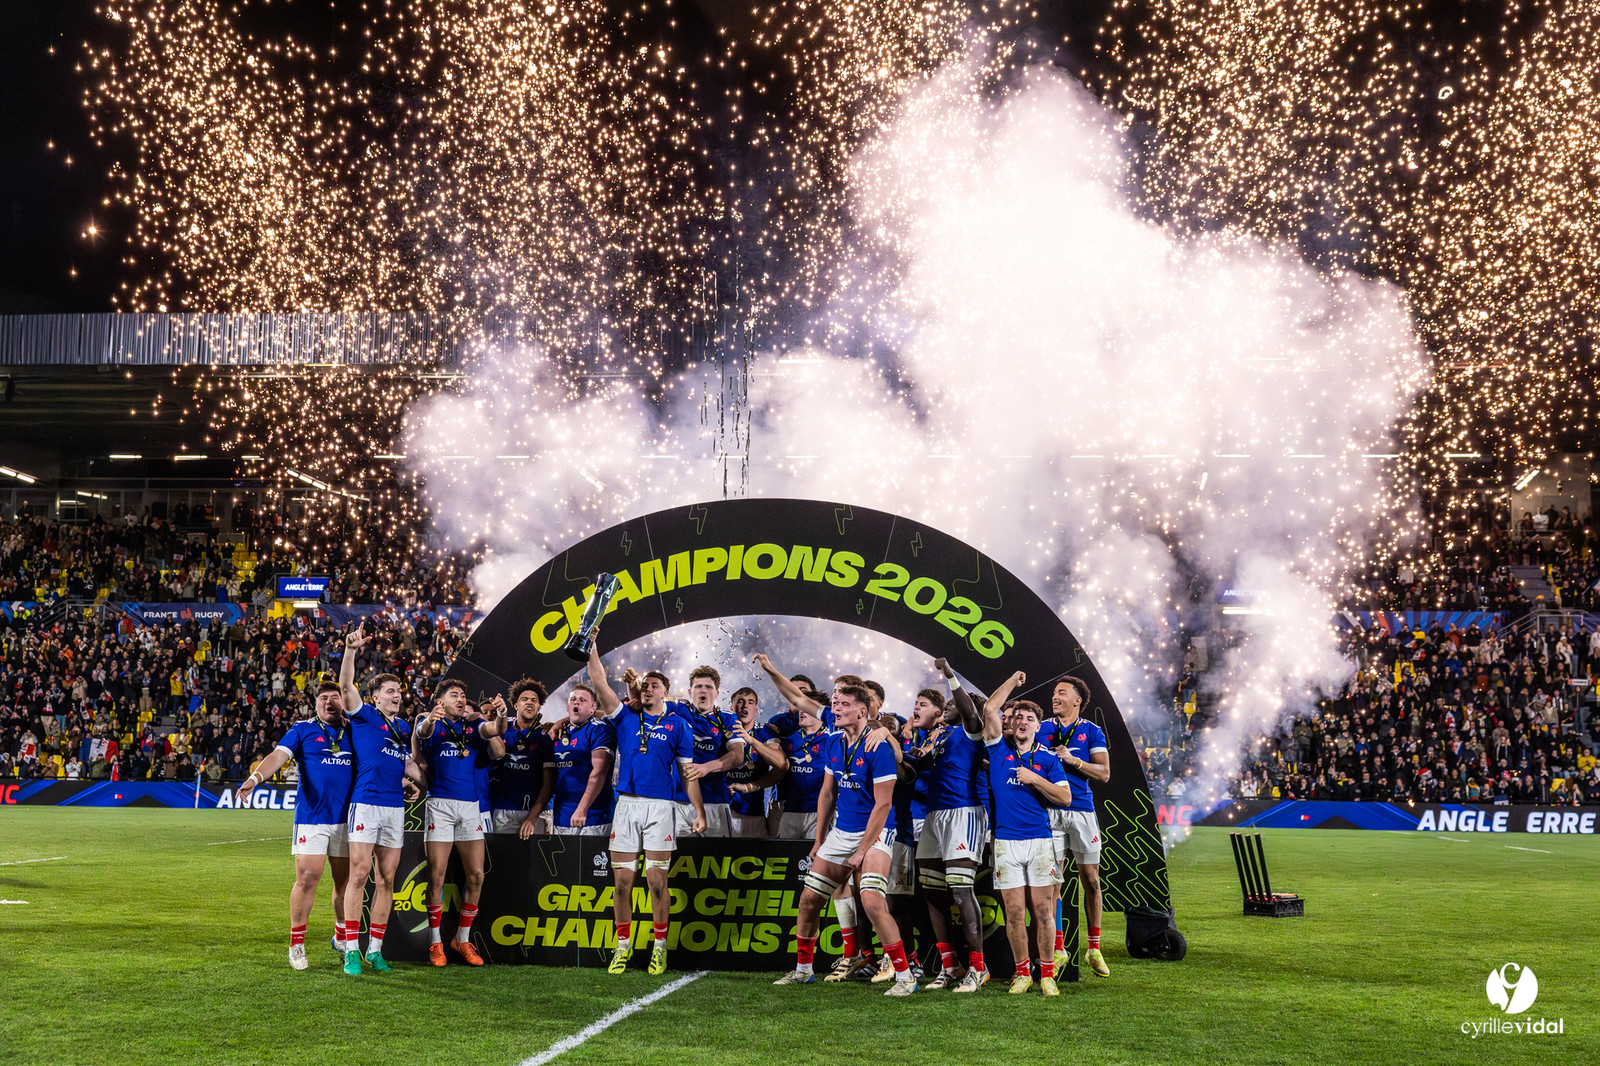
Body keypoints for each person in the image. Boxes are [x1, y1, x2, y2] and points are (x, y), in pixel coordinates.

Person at [773, 684, 918, 995]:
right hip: (842, 831)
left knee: (872, 902)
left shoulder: (877, 747)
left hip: (877, 831)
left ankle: (905, 977)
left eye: (844, 704)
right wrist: (819, 840)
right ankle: (803, 971)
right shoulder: (834, 742)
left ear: (862, 711)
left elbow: (883, 804)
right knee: (809, 900)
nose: (836, 708)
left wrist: (862, 850)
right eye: (835, 703)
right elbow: (827, 793)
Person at [585, 642, 706, 975]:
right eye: (646, 684)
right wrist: (593, 645)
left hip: (660, 808)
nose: (649, 688)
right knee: (622, 883)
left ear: (666, 692)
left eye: (656, 685)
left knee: (656, 883)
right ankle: (622, 947)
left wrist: (700, 811)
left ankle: (659, 947)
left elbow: (687, 772)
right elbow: (598, 680)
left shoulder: (679, 726)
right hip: (626, 806)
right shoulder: (625, 717)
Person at [237, 681, 354, 970]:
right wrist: (255, 779)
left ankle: (340, 936)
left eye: (335, 697)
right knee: (307, 879)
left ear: (344, 701)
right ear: (315, 705)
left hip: (349, 819)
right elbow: (278, 756)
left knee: (346, 883)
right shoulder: (302, 729)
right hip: (312, 819)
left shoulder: (354, 729)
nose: (329, 702)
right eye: (323, 698)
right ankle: (297, 945)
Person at [983, 672, 1074, 997]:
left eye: (1030, 718)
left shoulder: (1048, 760)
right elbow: (991, 708)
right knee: (1015, 913)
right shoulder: (997, 750)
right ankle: (1023, 973)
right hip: (1006, 842)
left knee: (1044, 911)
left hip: (1039, 842)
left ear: (1039, 726)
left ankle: (1047, 973)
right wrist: (1012, 681)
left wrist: (1035, 779)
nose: (1022, 721)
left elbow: (1065, 798)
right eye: (1018, 717)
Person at [337, 623, 416, 976]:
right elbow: (344, 686)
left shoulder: (402, 728)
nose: (397, 695)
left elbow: (392, 762)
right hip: (366, 803)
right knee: (359, 874)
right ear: (375, 697)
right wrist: (351, 650)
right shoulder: (364, 715)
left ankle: (376, 950)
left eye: (398, 691)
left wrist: (408, 783)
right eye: (389, 691)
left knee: (387, 879)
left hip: (394, 807)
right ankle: (351, 950)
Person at [415, 681, 507, 967]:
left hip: (470, 806)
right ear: (440, 701)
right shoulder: (434, 725)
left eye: (463, 695)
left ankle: (462, 939)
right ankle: (435, 942)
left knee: (477, 875)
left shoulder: (471, 728)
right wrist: (430, 718)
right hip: (439, 804)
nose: (460, 698)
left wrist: (501, 715)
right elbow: (423, 732)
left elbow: (495, 732)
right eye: (454, 694)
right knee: (437, 876)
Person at [913, 658, 989, 992]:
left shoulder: (972, 730)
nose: (946, 706)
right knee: (932, 891)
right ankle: (950, 966)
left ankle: (978, 967)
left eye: (952, 704)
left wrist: (950, 676)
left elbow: (970, 711)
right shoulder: (940, 737)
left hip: (963, 813)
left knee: (960, 891)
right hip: (934, 815)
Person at [1046, 674, 1112, 979]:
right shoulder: (1042, 728)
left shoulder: (1091, 731)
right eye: (1054, 693)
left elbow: (1104, 773)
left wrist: (1073, 761)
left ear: (1077, 700)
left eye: (1062, 693)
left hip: (1082, 811)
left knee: (1091, 879)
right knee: (1053, 882)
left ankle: (1094, 948)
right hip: (1049, 810)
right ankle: (1059, 949)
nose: (1056, 696)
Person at [534, 681, 616, 837]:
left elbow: (599, 772)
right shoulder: (556, 733)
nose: (576, 701)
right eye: (573, 699)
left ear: (593, 708)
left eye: (582, 700)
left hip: (595, 817)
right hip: (561, 818)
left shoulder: (600, 729)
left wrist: (582, 809)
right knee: (563, 861)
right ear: (567, 707)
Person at [673, 666, 745, 837]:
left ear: (717, 693)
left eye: (708, 687)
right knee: (678, 859)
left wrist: (706, 767)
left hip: (715, 801)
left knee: (717, 858)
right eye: (698, 687)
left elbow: (738, 755)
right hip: (679, 801)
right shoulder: (677, 712)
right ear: (690, 692)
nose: (703, 690)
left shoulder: (727, 718)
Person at [488, 679, 556, 835]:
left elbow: (548, 784)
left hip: (536, 812)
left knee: (537, 859)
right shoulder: (502, 728)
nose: (529, 703)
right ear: (515, 705)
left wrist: (532, 817)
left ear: (539, 706)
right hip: (504, 809)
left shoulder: (546, 735)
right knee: (505, 859)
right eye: (524, 699)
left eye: (534, 700)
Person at [726, 686, 786, 838]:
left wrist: (751, 740)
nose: (745, 705)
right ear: (732, 707)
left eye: (750, 702)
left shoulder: (764, 732)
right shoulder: (721, 731)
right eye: (740, 702)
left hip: (753, 813)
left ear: (756, 710)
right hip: (723, 810)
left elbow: (781, 764)